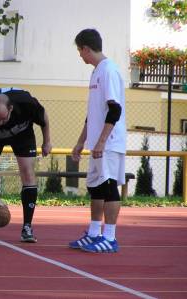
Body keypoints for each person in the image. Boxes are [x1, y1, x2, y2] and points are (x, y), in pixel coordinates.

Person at [69, 29, 126, 253]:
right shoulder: (96, 72)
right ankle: (94, 233)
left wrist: (102, 142)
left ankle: (110, 237)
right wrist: (81, 141)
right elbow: (93, 114)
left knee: (110, 187)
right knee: (96, 188)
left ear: (85, 48)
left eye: (79, 50)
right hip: (96, 144)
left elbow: (115, 109)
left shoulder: (109, 71)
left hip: (109, 143)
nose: (79, 56)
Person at [0, 87, 52, 243]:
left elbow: (43, 117)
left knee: (28, 173)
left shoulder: (26, 103)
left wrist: (47, 141)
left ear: (10, 108)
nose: (0, 123)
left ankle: (27, 227)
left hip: (22, 134)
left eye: (3, 119)